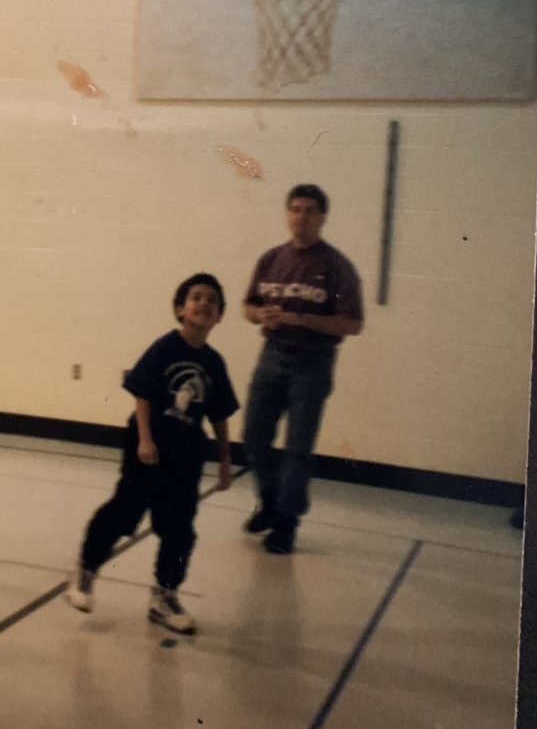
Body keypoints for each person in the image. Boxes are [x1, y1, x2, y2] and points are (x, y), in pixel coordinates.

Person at [65, 273, 238, 634]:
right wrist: (145, 439)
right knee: (124, 512)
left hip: (186, 453)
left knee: (178, 528)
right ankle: (85, 570)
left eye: (212, 300)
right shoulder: (165, 348)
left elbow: (219, 416)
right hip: (149, 445)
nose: (203, 304)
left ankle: (164, 596)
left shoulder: (215, 363)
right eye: (196, 297)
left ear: (220, 315)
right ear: (180, 308)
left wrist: (224, 463)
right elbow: (142, 394)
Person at [242, 184, 364, 555]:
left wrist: (303, 318)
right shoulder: (271, 259)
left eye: (310, 210)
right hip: (272, 356)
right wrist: (259, 315)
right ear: (287, 214)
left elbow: (353, 324)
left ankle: (287, 522)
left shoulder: (336, 266)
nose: (301, 216)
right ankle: (269, 501)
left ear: (323, 217)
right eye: (295, 209)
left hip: (312, 364)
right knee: (253, 436)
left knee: (297, 448)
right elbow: (248, 305)